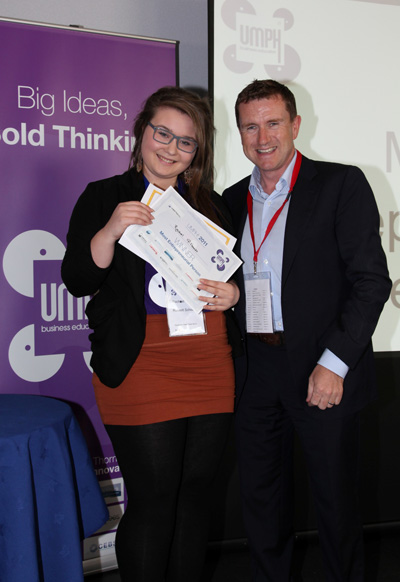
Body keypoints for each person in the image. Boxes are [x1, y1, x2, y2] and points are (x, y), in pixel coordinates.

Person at [61, 86, 241, 582]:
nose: (171, 148)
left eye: (186, 142)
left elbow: (232, 279)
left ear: (197, 152)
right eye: (163, 132)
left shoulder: (212, 206)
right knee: (154, 495)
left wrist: (234, 296)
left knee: (195, 492)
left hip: (208, 357)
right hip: (141, 361)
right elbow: (78, 278)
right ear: (142, 131)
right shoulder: (103, 195)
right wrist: (111, 227)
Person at [222, 79, 391, 582]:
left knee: (335, 506)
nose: (263, 136)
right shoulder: (230, 201)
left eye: (273, 122)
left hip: (322, 368)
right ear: (240, 133)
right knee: (260, 502)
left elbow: (371, 282)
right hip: (253, 369)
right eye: (250, 126)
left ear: (296, 125)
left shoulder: (341, 184)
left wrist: (333, 363)